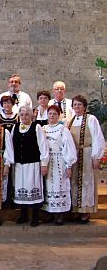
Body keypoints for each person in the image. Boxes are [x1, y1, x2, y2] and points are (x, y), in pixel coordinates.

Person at [68, 95, 105, 224]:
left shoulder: (91, 119)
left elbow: (97, 138)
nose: (77, 107)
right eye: (75, 105)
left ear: (84, 107)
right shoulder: (70, 121)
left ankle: (86, 211)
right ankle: (76, 210)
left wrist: (96, 156)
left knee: (86, 181)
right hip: (74, 155)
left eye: (79, 105)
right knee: (74, 182)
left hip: (87, 154)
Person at [11, 106, 49, 227]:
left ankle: (35, 217)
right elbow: (11, 146)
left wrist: (44, 164)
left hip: (33, 164)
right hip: (19, 165)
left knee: (33, 188)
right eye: (22, 115)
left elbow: (43, 147)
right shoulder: (15, 127)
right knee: (21, 189)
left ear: (31, 116)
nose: (24, 117)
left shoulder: (36, 127)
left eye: (26, 115)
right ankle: (23, 215)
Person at [42, 105, 77, 225]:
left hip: (59, 162)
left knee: (59, 186)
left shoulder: (63, 129)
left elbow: (69, 148)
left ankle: (60, 215)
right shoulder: (43, 128)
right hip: (47, 162)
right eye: (50, 113)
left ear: (59, 115)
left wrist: (69, 166)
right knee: (48, 187)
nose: (52, 116)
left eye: (54, 114)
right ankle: (49, 213)